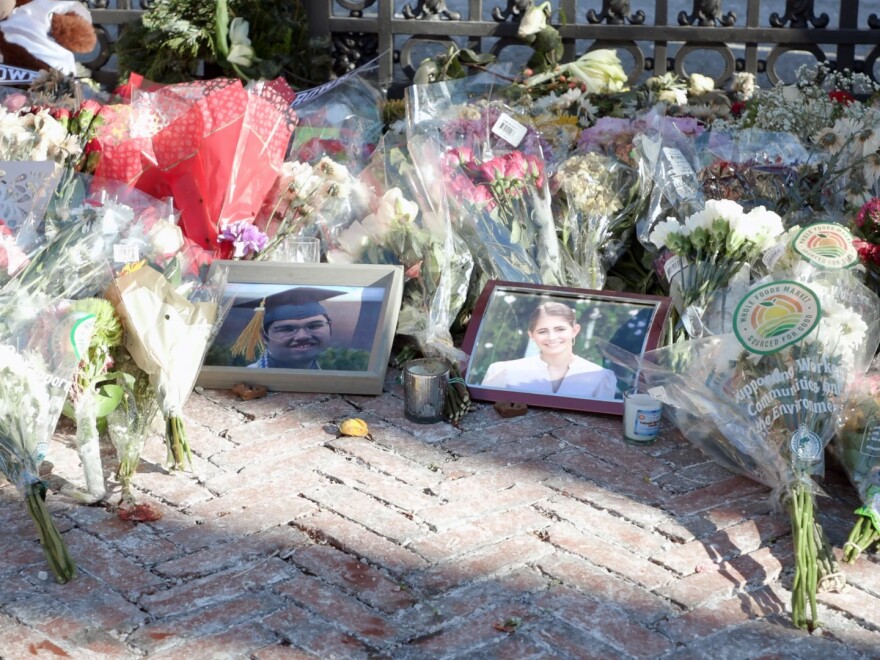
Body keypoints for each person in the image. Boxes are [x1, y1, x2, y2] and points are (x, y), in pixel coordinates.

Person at [481, 301, 618, 399]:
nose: (552, 337)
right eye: (542, 331)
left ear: (574, 331)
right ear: (532, 335)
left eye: (560, 329)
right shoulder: (504, 371)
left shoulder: (600, 377)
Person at [234, 287, 343, 369]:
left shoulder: (337, 382)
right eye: (287, 329)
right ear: (264, 336)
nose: (302, 336)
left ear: (330, 328)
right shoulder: (248, 380)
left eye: (314, 326)